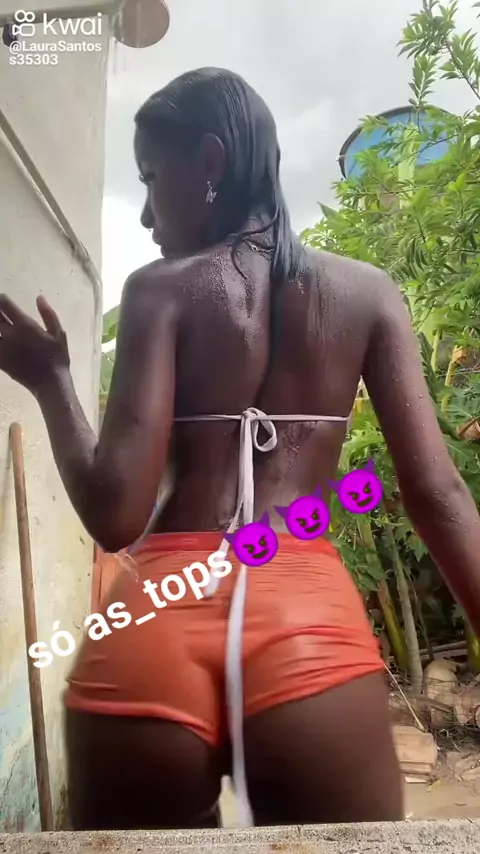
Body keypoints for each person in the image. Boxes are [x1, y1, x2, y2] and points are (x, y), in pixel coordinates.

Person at [1, 67, 480, 831]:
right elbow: (439, 495)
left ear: (211, 163)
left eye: (151, 178)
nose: (148, 213)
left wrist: (52, 381)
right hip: (309, 633)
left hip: (153, 631)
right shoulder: (367, 294)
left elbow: (115, 516)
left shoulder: (159, 292)